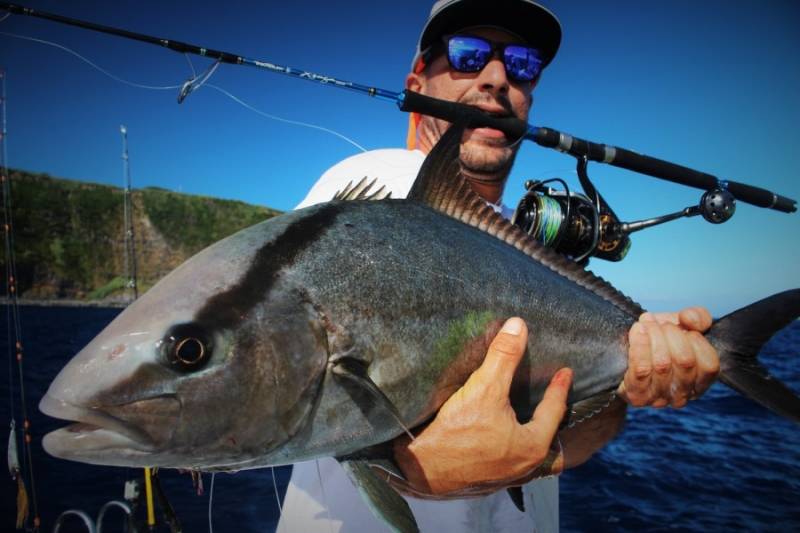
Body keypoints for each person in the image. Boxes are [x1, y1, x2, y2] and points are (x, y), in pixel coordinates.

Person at [278, 1, 720, 531]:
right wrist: (409, 468)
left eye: (522, 64)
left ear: (530, 94)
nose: (495, 78)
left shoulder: (534, 250)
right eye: (467, 55)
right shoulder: (372, 191)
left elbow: (585, 434)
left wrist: (630, 382)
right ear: (417, 80)